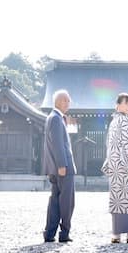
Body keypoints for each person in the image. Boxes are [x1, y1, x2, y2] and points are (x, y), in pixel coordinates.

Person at [101, 92, 128, 243]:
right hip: (126, 166)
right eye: (127, 103)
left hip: (115, 166)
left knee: (117, 199)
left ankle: (116, 234)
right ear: (118, 105)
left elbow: (109, 146)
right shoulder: (124, 122)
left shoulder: (113, 122)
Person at [42, 89, 76, 243]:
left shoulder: (53, 117)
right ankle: (64, 234)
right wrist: (62, 165)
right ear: (59, 101)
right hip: (63, 168)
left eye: (69, 101)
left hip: (55, 168)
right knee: (67, 202)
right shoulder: (56, 118)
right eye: (66, 100)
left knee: (55, 201)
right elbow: (57, 145)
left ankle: (49, 233)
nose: (68, 104)